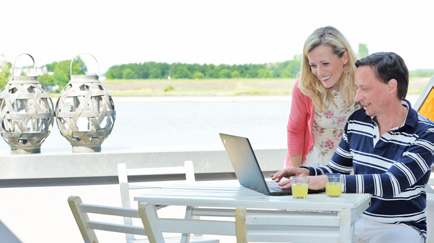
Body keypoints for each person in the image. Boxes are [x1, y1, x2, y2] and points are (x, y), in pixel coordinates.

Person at [273, 52, 434, 242]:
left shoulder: (425, 133)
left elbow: (393, 183)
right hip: (354, 219)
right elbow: (335, 170)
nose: (357, 97)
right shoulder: (356, 122)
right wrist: (307, 172)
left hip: (401, 228)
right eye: (357, 88)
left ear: (391, 86)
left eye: (364, 88)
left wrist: (328, 181)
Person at [286, 26, 359, 168]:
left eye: (325, 63)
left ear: (344, 57)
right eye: (313, 65)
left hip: (355, 167)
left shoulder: (363, 82)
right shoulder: (304, 87)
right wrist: (295, 173)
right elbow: (295, 130)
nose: (319, 72)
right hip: (315, 165)